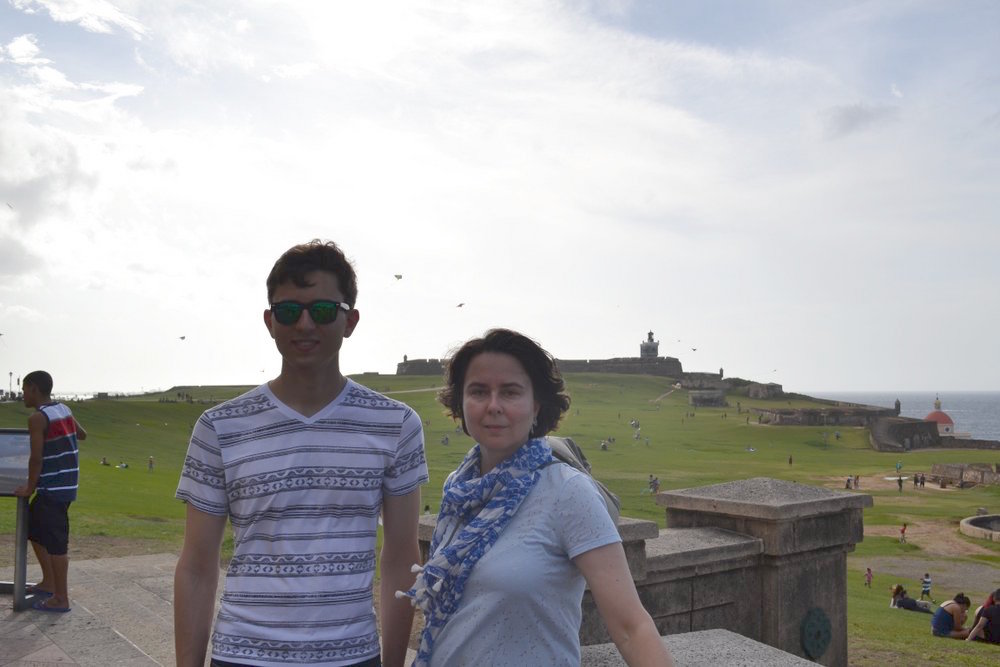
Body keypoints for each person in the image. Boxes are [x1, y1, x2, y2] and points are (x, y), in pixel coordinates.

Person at [174, 240, 428, 667]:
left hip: (352, 656)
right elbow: (197, 566)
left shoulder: (397, 424)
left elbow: (402, 556)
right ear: (270, 321)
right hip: (243, 655)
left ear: (350, 321)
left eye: (323, 310)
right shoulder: (218, 427)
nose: (305, 323)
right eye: (290, 311)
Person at [403, 329, 674, 666]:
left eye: (510, 392)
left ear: (536, 407)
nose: (493, 406)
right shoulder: (460, 487)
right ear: (460, 403)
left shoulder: (567, 491)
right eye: (478, 391)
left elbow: (632, 627)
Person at [13, 370, 88, 613]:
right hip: (65, 486)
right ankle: (49, 582)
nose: (22, 394)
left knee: (56, 543)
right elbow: (82, 435)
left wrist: (28, 488)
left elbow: (35, 459)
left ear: (34, 388)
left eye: (24, 389)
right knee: (33, 531)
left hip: (52, 488)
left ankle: (61, 598)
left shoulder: (37, 419)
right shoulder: (63, 409)